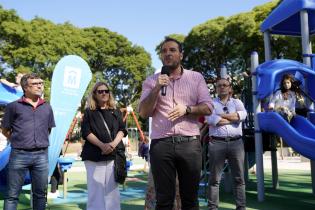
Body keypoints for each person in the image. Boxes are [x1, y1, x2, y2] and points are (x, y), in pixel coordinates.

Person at [139, 37, 213, 209]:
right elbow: (144, 112)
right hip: (161, 145)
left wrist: (187, 109)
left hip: (189, 145)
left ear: (181, 54)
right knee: (164, 200)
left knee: (190, 200)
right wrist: (157, 87)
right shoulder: (151, 81)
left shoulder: (196, 78)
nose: (168, 54)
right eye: (164, 51)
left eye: (172, 50)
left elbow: (208, 107)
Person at [1, 73, 55, 210]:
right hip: (19, 154)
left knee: (40, 195)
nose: (39, 86)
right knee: (12, 195)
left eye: (41, 83)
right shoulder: (13, 107)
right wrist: (19, 140)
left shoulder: (47, 107)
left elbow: (48, 130)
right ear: (25, 87)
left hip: (41, 156)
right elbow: (5, 130)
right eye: (35, 83)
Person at [80, 82, 127, 210]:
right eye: (100, 91)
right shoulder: (89, 112)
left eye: (106, 91)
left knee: (113, 194)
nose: (104, 93)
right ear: (94, 94)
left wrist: (112, 145)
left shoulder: (116, 111)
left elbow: (122, 130)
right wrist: (102, 145)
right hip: (94, 156)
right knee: (96, 193)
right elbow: (86, 132)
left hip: (113, 156)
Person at [206, 78, 247, 210]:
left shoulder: (237, 102)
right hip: (217, 143)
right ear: (216, 89)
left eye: (225, 85)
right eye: (219, 86)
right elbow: (213, 120)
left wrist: (222, 115)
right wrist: (233, 118)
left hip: (237, 143)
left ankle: (241, 207)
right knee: (214, 179)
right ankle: (213, 208)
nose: (222, 87)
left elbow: (243, 116)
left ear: (229, 88)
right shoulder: (210, 104)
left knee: (239, 179)